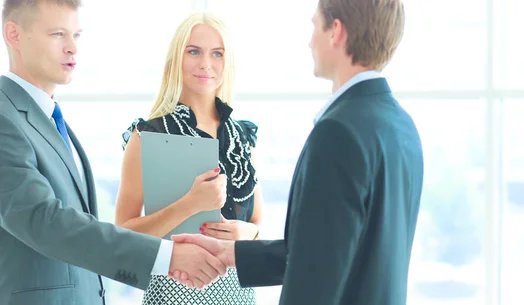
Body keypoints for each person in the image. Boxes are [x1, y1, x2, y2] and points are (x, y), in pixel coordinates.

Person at [171, 0, 424, 304]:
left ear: (336, 32)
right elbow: (328, 249)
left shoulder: (338, 131)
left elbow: (314, 279)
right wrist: (231, 254)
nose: (309, 41)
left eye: (315, 26)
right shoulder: (402, 125)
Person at [0, 1, 226, 304]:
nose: (72, 48)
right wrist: (166, 256)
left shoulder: (50, 119)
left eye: (77, 36)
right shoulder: (4, 117)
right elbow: (44, 220)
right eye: (57, 34)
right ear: (13, 35)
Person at [116, 11, 264, 305]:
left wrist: (248, 233)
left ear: (228, 62)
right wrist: (190, 205)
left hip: (239, 293)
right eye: (194, 51)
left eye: (217, 54)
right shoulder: (146, 135)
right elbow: (122, 235)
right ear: (176, 60)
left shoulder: (242, 137)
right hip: (173, 293)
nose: (206, 64)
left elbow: (257, 222)